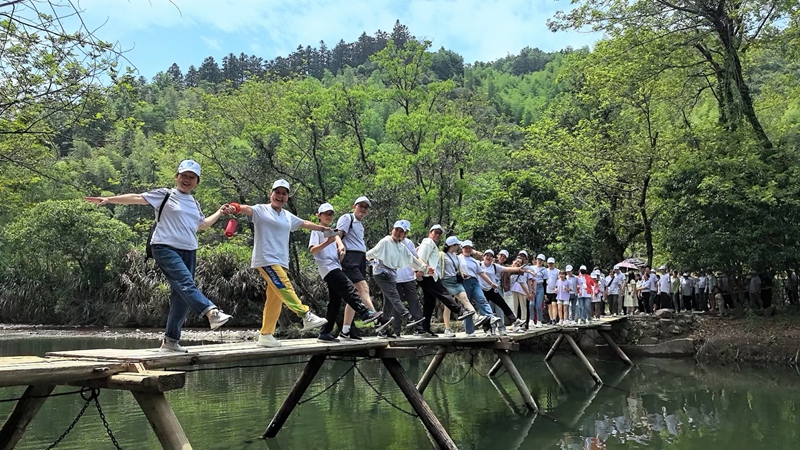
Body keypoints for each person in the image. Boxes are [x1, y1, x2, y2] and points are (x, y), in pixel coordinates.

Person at [85, 159, 232, 353]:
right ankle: (211, 312)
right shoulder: (165, 194)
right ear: (176, 177)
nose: (187, 180)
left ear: (197, 181)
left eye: (191, 177)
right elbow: (137, 198)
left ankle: (170, 341)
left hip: (189, 249)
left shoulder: (194, 203)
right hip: (165, 246)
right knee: (186, 283)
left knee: (181, 295)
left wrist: (220, 212)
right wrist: (110, 199)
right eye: (183, 176)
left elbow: (202, 224)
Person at [230, 179, 329, 347]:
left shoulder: (286, 216)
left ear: (287, 197)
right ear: (271, 194)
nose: (280, 196)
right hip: (266, 259)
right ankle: (305, 315)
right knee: (285, 286)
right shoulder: (261, 210)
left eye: (284, 193)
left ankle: (266, 335)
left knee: (275, 299)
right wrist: (235, 207)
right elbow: (245, 209)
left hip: (281, 260)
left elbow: (303, 223)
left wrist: (322, 229)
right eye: (278, 192)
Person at [308, 203, 387, 343]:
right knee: (349, 288)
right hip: (328, 267)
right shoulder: (317, 231)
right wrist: (328, 242)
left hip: (335, 265)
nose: (329, 216)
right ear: (319, 215)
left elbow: (338, 239)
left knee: (335, 302)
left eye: (331, 214)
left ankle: (325, 333)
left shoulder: (330, 230)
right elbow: (313, 250)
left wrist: (341, 247)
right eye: (325, 213)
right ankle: (365, 312)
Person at [366, 221, 430, 338]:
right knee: (394, 296)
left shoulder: (402, 247)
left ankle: (383, 330)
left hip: (391, 275)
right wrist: (363, 260)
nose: (398, 233)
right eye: (397, 230)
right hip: (381, 273)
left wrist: (425, 268)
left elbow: (413, 260)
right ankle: (409, 318)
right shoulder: (386, 241)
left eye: (401, 232)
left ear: (404, 234)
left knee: (389, 303)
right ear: (392, 230)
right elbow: (372, 253)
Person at [416, 225, 475, 337]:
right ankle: (461, 311)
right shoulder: (428, 242)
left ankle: (425, 329)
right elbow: (420, 257)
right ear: (430, 232)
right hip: (426, 275)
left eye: (439, 233)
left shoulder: (431, 244)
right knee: (443, 293)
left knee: (430, 303)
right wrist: (420, 270)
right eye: (435, 232)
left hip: (428, 275)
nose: (437, 235)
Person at [336, 196, 380, 340]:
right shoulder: (346, 218)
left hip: (360, 258)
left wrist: (365, 258)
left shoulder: (360, 225)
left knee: (354, 295)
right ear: (354, 206)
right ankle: (378, 323)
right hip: (349, 258)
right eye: (360, 206)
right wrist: (341, 246)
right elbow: (337, 234)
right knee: (364, 289)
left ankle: (345, 331)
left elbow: (357, 242)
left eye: (366, 207)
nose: (363, 209)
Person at [440, 236, 481, 337]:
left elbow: (457, 268)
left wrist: (462, 273)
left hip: (455, 281)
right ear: (452, 245)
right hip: (446, 282)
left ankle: (476, 317)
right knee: (448, 307)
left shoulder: (455, 255)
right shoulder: (441, 255)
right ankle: (447, 328)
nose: (458, 246)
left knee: (465, 299)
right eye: (457, 245)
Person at [459, 241, 502, 335]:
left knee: (482, 299)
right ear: (462, 248)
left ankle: (491, 316)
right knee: (467, 306)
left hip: (474, 282)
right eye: (466, 247)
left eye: (469, 248)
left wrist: (491, 283)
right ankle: (469, 331)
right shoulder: (458, 258)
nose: (468, 249)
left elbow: (481, 273)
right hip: (464, 282)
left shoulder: (474, 261)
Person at [480, 249, 526, 335]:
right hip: (482, 290)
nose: (489, 257)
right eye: (487, 255)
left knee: (502, 305)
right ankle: (489, 329)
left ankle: (508, 324)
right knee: (486, 310)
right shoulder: (479, 264)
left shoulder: (495, 266)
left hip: (494, 289)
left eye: (504, 257)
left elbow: (508, 269)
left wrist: (519, 269)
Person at [394, 220, 426, 336]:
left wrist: (421, 269)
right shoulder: (389, 242)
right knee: (396, 305)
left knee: (414, 302)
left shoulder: (409, 243)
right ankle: (395, 330)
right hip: (394, 279)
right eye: (400, 230)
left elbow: (415, 258)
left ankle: (418, 328)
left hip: (408, 277)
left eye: (404, 231)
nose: (402, 233)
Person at [510, 257, 533, 331]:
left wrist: (528, 293)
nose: (518, 263)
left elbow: (523, 283)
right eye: (517, 261)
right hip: (513, 290)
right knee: (514, 308)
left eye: (520, 262)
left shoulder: (521, 271)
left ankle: (523, 324)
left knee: (523, 307)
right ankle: (514, 324)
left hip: (522, 290)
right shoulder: (509, 269)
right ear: (513, 261)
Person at [529, 254, 548, 327]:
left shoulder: (544, 270)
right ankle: (531, 319)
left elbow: (545, 282)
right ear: (536, 260)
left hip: (540, 287)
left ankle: (539, 320)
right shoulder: (531, 267)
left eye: (541, 260)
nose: (539, 261)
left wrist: (545, 293)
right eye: (539, 259)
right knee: (531, 304)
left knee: (538, 305)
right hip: (531, 287)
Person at [545, 257, 560, 325]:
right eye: (549, 263)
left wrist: (557, 287)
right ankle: (551, 319)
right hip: (547, 290)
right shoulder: (545, 270)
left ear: (554, 264)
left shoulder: (557, 271)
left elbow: (559, 280)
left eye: (552, 263)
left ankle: (554, 319)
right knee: (549, 306)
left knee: (554, 304)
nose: (550, 265)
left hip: (555, 291)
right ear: (547, 264)